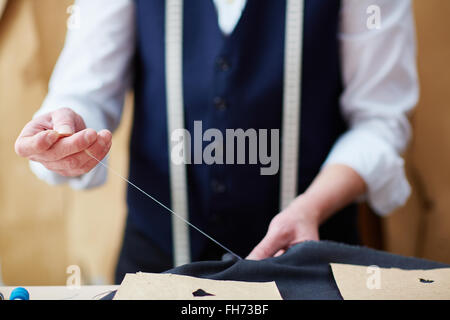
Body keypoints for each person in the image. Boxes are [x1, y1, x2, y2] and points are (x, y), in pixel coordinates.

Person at [14, 0, 418, 284]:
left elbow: (380, 121)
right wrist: (65, 137)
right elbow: (84, 92)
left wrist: (311, 206)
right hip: (156, 266)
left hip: (313, 269)